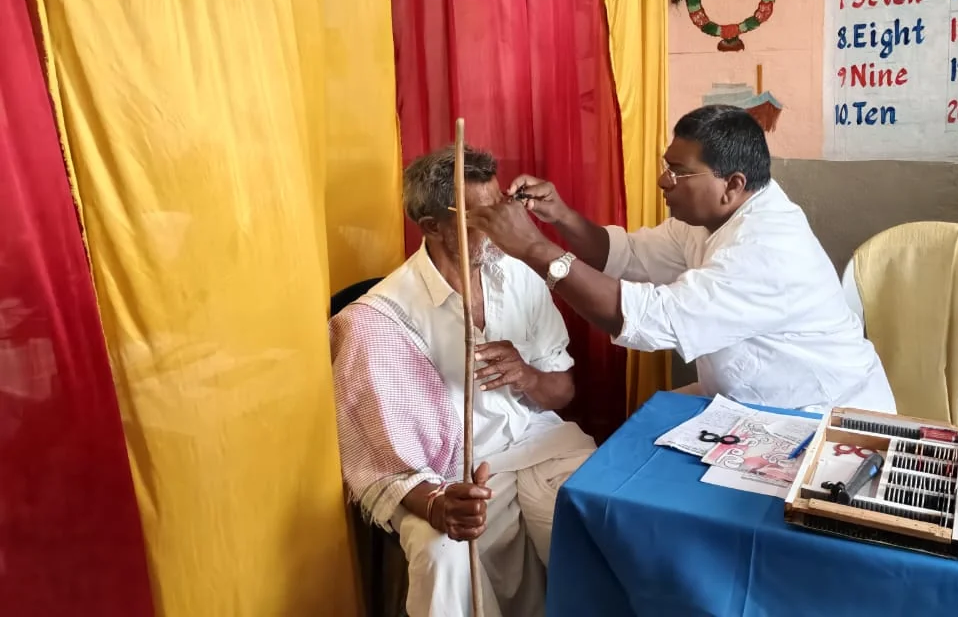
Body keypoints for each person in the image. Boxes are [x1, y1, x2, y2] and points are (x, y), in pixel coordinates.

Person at [470, 104, 895, 414]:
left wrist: (535, 249)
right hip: (752, 401)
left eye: (678, 172)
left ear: (732, 184)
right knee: (639, 441)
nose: (662, 180)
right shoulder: (711, 217)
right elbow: (626, 255)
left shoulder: (765, 248)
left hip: (821, 415)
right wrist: (560, 216)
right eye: (664, 165)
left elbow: (649, 320)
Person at [329, 146, 596, 617]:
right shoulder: (378, 322)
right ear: (431, 226)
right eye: (480, 216)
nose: (500, 226)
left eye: (500, 208)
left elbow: (563, 391)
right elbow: (385, 463)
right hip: (447, 474)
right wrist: (435, 506)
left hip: (541, 446)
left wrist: (527, 375)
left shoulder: (520, 276)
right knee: (443, 555)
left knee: (599, 524)